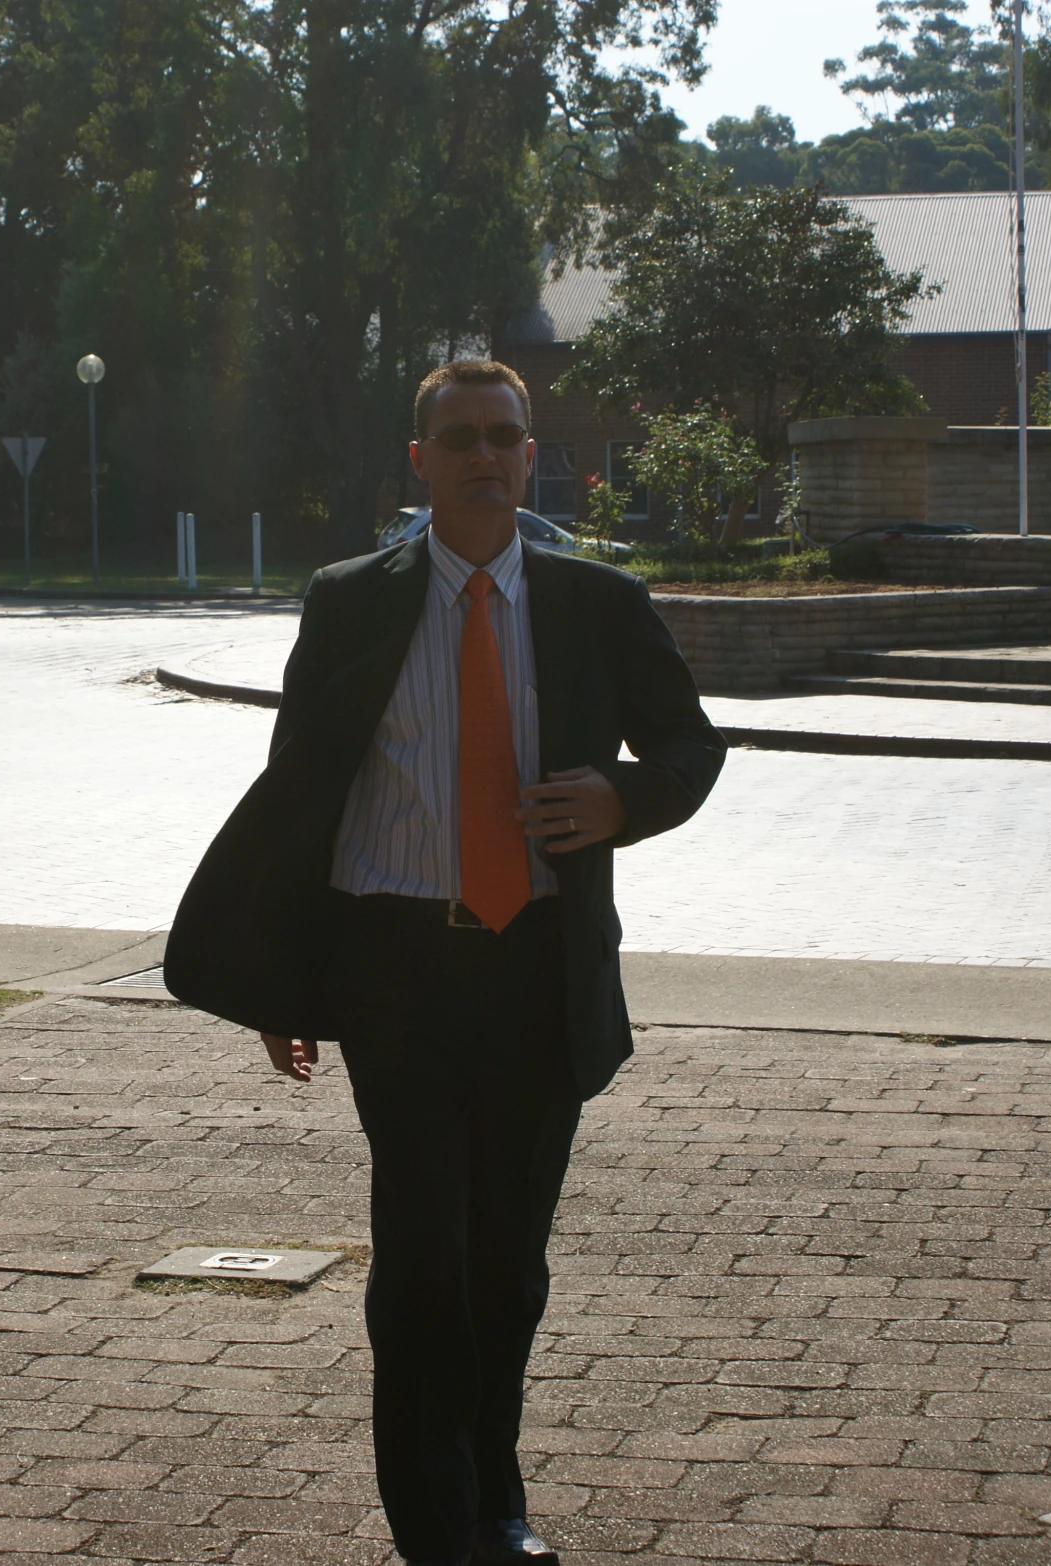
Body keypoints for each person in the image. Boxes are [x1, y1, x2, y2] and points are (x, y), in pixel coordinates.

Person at [163, 359, 725, 1565]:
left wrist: (624, 797)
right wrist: (279, 981)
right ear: (418, 461)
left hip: (535, 974)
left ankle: (494, 1498)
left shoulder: (596, 603)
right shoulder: (351, 599)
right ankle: (438, 1526)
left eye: (505, 438)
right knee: (422, 1256)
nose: (484, 457)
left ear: (534, 457)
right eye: (460, 438)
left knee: (506, 1265)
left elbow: (689, 742)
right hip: (395, 976)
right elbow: (303, 792)